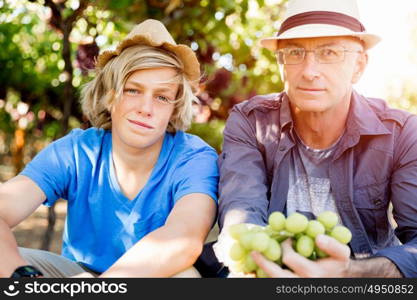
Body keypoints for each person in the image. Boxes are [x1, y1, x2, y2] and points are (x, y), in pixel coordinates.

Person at [0, 19, 218, 278]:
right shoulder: (76, 151)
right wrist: (18, 272)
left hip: (150, 277)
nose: (146, 109)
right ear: (109, 95)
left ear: (174, 107)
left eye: (162, 97)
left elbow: (183, 239)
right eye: (133, 90)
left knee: (185, 276)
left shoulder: (194, 158)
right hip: (76, 276)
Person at [214, 0, 417, 278]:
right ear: (281, 63)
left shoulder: (402, 133)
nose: (309, 71)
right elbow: (243, 208)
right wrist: (253, 257)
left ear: (358, 65)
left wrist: (350, 274)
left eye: (330, 52)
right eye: (295, 52)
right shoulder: (251, 122)